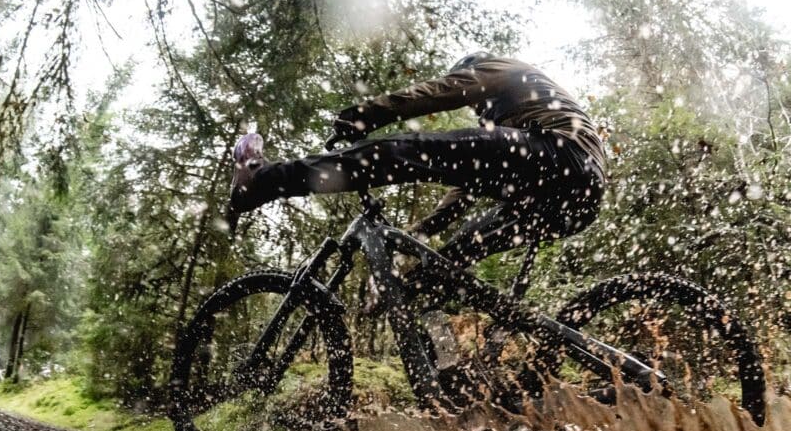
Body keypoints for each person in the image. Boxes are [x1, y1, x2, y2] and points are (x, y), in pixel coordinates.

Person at [228, 52, 606, 279]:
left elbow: (442, 93)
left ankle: (261, 182)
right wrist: (418, 236)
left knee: (405, 151)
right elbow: (464, 191)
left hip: (561, 153)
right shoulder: (520, 116)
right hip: (579, 198)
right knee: (456, 256)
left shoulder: (500, 69)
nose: (477, 112)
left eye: (477, 106)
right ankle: (452, 356)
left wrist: (365, 115)